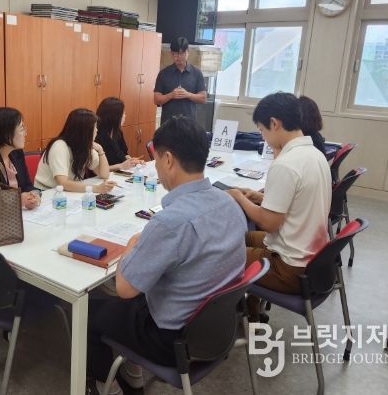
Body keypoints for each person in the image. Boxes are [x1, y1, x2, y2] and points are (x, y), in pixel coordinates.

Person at [86, 116, 247, 394]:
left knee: (90, 311)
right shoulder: (229, 202)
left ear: (168, 160)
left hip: (172, 339)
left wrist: (132, 245)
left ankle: (105, 386)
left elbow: (125, 288)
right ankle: (131, 373)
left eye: (157, 159)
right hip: (216, 328)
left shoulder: (169, 222)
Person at [226, 92, 331, 322]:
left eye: (262, 131)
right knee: (238, 237)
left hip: (288, 267)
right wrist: (259, 196)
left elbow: (269, 223)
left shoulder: (286, 164)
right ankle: (251, 309)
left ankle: (230, 319)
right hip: (311, 259)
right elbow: (298, 201)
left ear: (274, 123)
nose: (263, 138)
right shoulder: (315, 155)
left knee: (221, 254)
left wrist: (239, 198)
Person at [34, 108, 116, 193]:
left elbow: (104, 174)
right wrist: (96, 188)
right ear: (84, 130)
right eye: (94, 127)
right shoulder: (59, 146)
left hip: (68, 191)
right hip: (47, 192)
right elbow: (63, 183)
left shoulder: (84, 146)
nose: (97, 130)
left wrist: (100, 150)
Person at [154, 37, 207, 126]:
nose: (178, 57)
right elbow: (156, 100)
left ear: (187, 52)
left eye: (182, 53)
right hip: (168, 124)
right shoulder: (163, 73)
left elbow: (203, 98)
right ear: (171, 54)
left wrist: (188, 94)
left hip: (189, 124)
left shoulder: (196, 73)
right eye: (175, 54)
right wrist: (171, 95)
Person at [94, 97, 142, 171]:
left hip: (119, 172)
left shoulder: (118, 132)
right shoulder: (96, 135)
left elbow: (124, 153)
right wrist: (121, 166)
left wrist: (131, 161)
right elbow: (96, 169)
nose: (125, 116)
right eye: (123, 114)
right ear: (113, 116)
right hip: (103, 175)